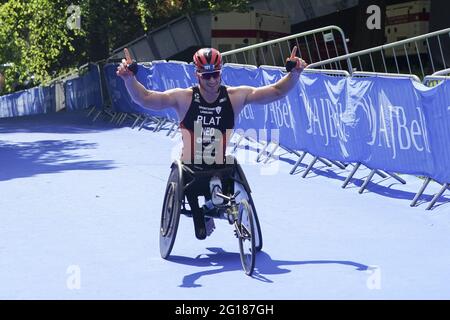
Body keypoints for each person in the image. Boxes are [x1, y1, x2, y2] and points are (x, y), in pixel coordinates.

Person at [117, 47, 307, 240]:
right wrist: (129, 79)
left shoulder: (235, 96)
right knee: (201, 232)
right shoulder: (184, 97)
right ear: (197, 74)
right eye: (206, 76)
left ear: (221, 72)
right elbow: (146, 98)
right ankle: (204, 211)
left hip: (219, 166)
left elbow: (275, 91)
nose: (212, 80)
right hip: (191, 170)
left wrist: (294, 74)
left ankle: (217, 206)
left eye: (215, 74)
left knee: (229, 169)